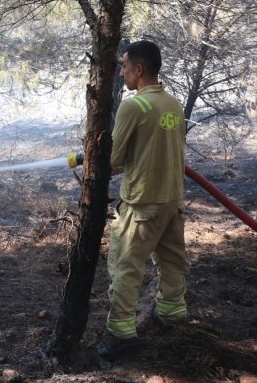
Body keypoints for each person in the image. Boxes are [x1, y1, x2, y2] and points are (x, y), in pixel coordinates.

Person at [97, 40, 189, 361]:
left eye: (124, 67)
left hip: (141, 206)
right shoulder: (173, 104)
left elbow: (115, 160)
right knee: (173, 265)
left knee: (125, 267)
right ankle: (173, 318)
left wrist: (96, 157)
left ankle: (121, 335)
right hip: (172, 203)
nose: (122, 73)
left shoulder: (133, 106)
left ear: (139, 69)